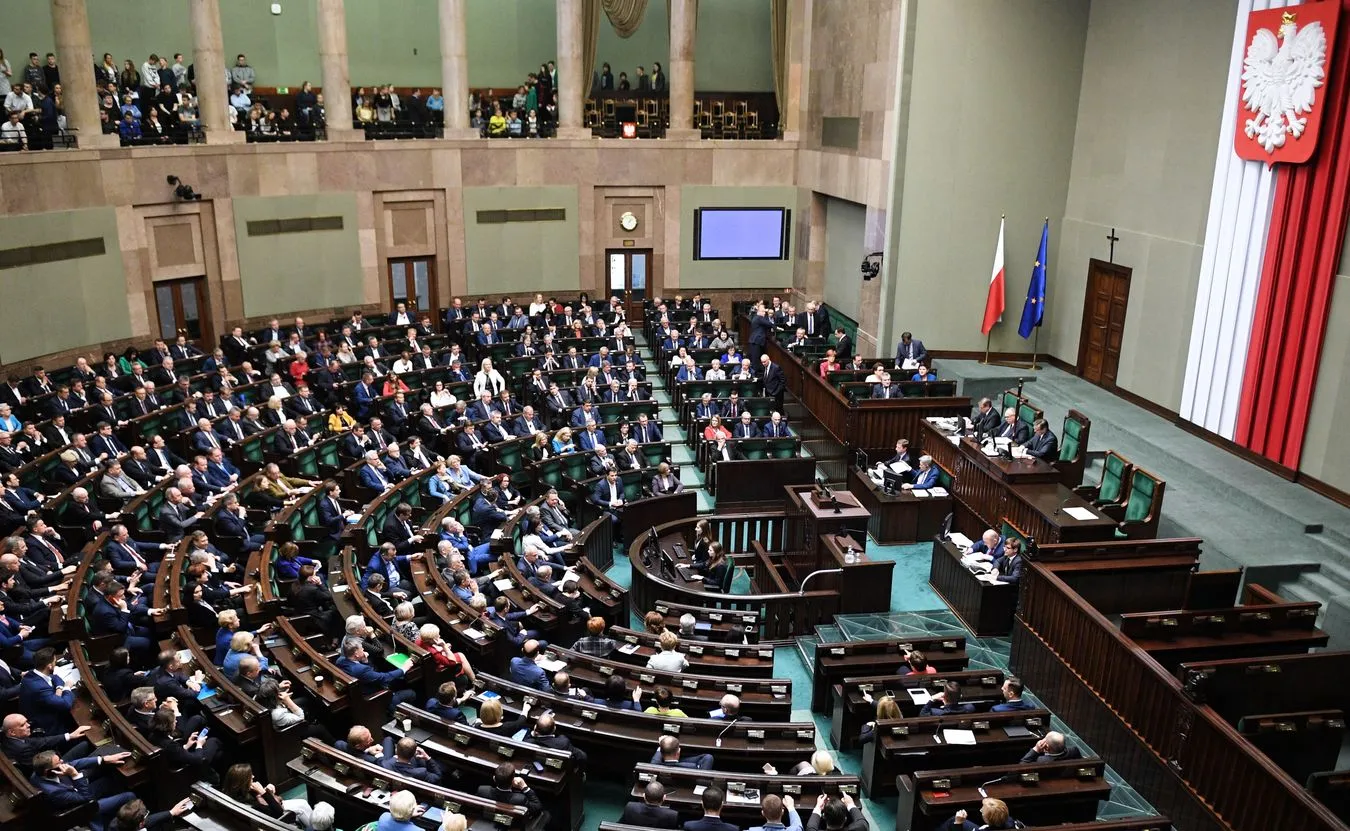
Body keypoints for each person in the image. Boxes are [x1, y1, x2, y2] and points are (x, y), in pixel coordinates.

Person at [475, 760, 544, 816]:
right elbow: (537, 807)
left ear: (494, 779)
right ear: (513, 781)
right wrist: (524, 787)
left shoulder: (482, 790)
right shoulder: (520, 799)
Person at [941, 797, 1017, 830]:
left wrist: (958, 823)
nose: (981, 810)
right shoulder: (1012, 822)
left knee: (953, 820)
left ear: (987, 819)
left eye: (982, 811)